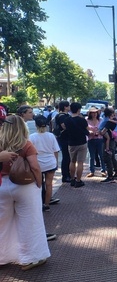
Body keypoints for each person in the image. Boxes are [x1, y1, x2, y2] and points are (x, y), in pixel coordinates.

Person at [0, 114, 50, 271]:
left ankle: (2, 257)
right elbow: (35, 166)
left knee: (2, 223)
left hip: (2, 184)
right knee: (30, 222)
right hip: (24, 186)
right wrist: (38, 183)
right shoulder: (26, 144)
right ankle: (30, 258)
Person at [29, 115, 60, 212]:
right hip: (50, 163)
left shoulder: (32, 137)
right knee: (49, 184)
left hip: (38, 163)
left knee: (38, 184)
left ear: (36, 125)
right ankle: (46, 204)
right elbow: (56, 150)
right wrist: (55, 162)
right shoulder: (51, 136)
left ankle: (38, 203)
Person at [64, 102, 89, 188]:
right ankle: (78, 180)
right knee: (80, 162)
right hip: (82, 142)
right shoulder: (82, 120)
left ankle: (72, 179)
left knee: (72, 161)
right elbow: (87, 130)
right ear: (79, 109)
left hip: (71, 142)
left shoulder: (67, 120)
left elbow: (64, 128)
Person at [100, 108, 117, 183]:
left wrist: (100, 132)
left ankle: (110, 175)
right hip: (113, 141)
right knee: (112, 157)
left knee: (107, 157)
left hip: (107, 142)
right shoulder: (115, 122)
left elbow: (103, 132)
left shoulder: (108, 122)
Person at [85, 107, 106, 178]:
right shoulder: (86, 120)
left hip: (99, 139)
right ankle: (92, 171)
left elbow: (104, 128)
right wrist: (89, 132)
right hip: (91, 139)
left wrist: (99, 132)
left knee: (101, 155)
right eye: (92, 113)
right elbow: (85, 129)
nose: (94, 114)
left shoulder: (101, 120)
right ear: (90, 114)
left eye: (95, 113)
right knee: (92, 156)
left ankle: (103, 170)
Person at [55, 101, 71, 183]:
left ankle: (68, 174)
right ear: (65, 107)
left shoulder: (63, 115)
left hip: (65, 137)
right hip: (64, 138)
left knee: (68, 157)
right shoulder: (62, 116)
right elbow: (64, 126)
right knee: (66, 157)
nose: (69, 107)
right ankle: (65, 175)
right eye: (68, 106)